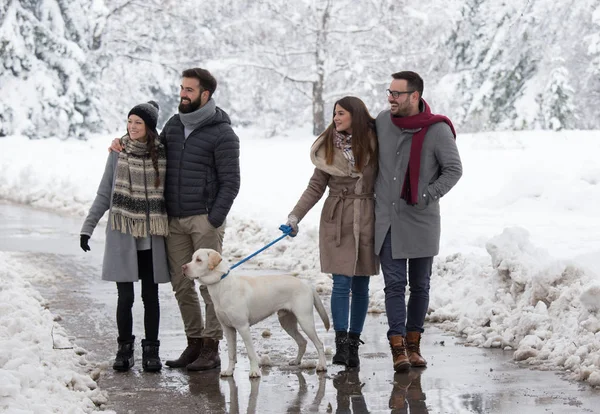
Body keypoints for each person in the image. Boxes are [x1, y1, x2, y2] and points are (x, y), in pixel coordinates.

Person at [111, 68, 240, 371]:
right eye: (182, 88)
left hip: (204, 219)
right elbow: (147, 144)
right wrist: (120, 141)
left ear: (205, 95)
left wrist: (213, 219)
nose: (182, 94)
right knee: (182, 285)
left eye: (189, 90)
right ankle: (193, 343)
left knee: (209, 286)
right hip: (174, 220)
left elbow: (231, 182)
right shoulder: (173, 124)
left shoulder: (222, 133)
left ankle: (211, 346)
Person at [374, 71, 462, 372]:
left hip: (422, 218)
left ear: (415, 96)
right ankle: (397, 347)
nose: (390, 98)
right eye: (389, 91)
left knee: (420, 286)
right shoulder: (383, 123)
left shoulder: (437, 130)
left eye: (397, 93)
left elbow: (453, 170)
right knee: (394, 285)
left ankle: (414, 345)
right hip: (387, 219)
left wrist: (426, 195)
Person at [285, 96, 379, 368]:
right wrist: (294, 217)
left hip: (367, 218)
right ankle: (340, 344)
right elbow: (315, 188)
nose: (336, 118)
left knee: (362, 283)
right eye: (334, 114)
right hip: (337, 218)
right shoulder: (328, 148)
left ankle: (353, 344)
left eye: (341, 114)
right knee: (341, 282)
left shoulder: (376, 143)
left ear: (356, 116)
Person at [81, 101, 170, 372]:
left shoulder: (163, 155)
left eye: (138, 122)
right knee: (126, 298)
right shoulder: (117, 153)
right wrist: (88, 227)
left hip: (152, 237)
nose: (132, 127)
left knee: (150, 297)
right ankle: (124, 349)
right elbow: (104, 193)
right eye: (129, 121)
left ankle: (151, 350)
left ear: (149, 128)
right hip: (123, 235)